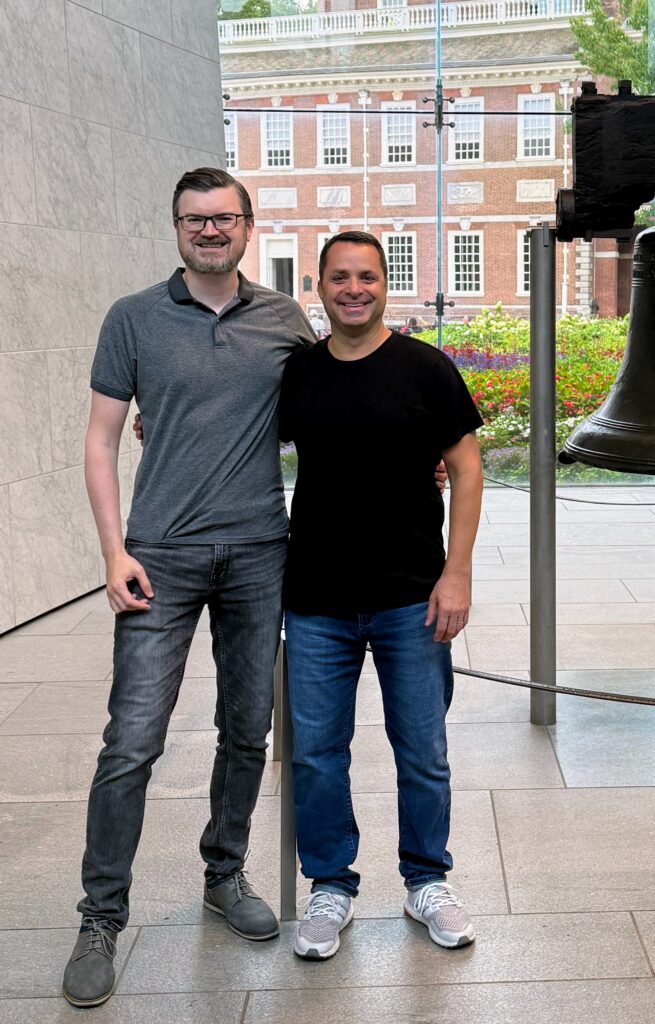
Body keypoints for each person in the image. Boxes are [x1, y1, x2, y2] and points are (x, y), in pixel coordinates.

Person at [64, 168, 317, 1008]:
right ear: (176, 228)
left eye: (223, 219)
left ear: (249, 226)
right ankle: (100, 918)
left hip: (257, 552)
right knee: (131, 739)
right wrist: (112, 551)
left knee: (247, 727)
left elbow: (331, 409)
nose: (209, 231)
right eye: (194, 220)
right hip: (159, 556)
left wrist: (419, 449)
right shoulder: (132, 318)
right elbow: (101, 442)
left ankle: (223, 872)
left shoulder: (284, 319)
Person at [280, 231, 484, 960]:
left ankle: (427, 880)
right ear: (322, 285)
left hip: (411, 595)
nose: (353, 289)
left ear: (385, 284)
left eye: (367, 276)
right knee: (317, 754)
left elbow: (465, 466)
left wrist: (455, 572)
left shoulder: (425, 369)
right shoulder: (299, 374)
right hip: (316, 598)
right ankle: (329, 887)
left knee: (423, 752)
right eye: (340, 277)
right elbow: (241, 438)